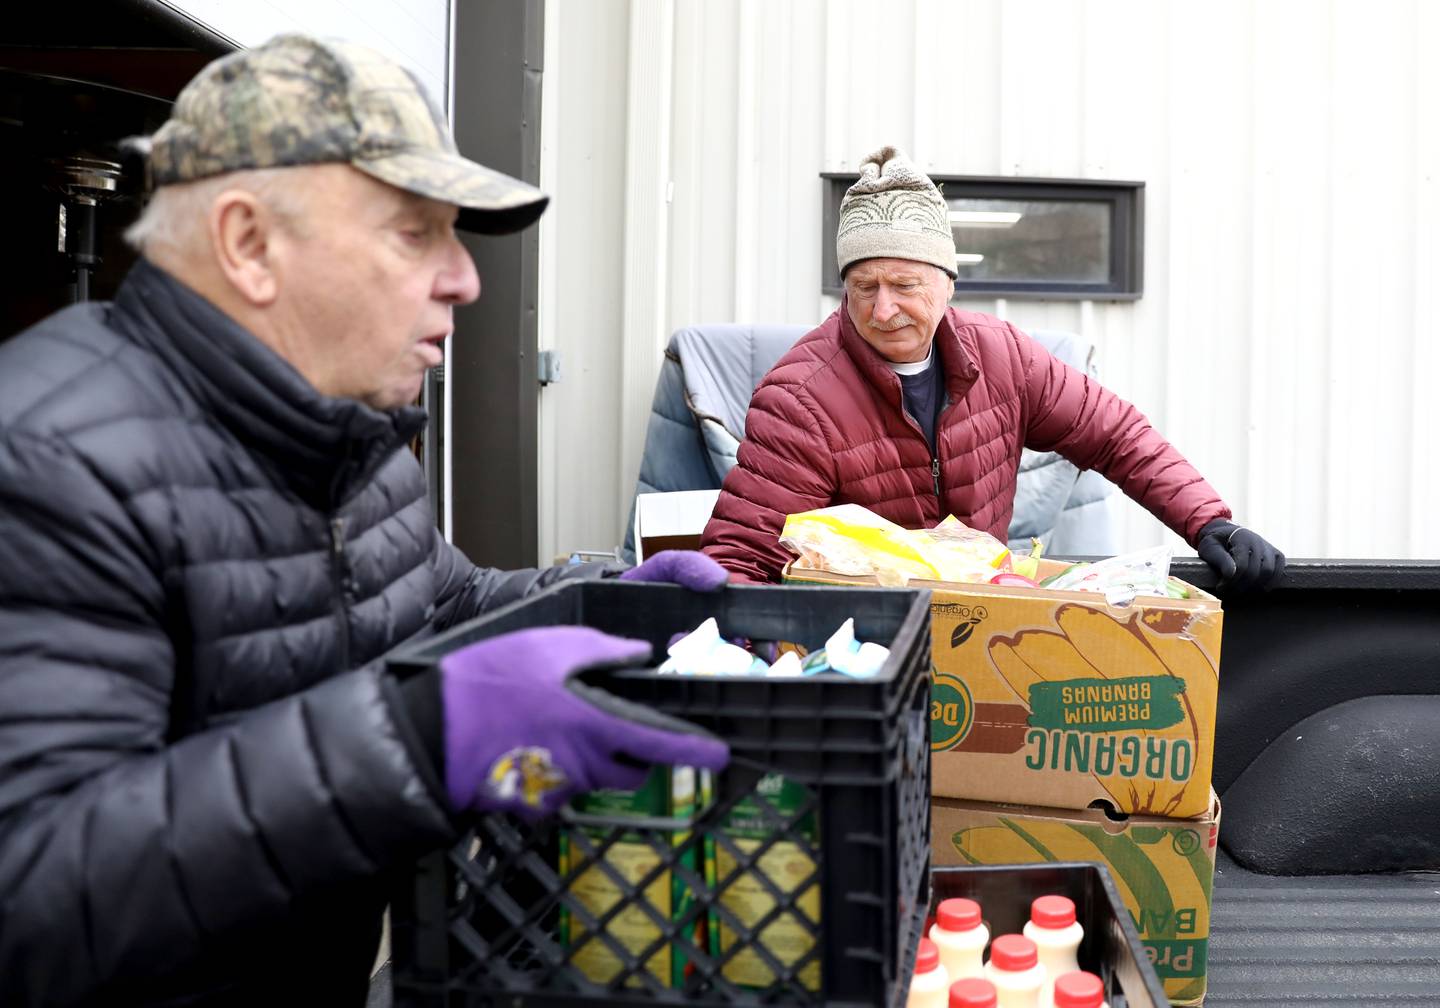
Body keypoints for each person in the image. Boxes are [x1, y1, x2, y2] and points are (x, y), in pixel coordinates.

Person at [0, 35, 729, 1007]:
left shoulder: (351, 432)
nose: (465, 279)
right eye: (413, 232)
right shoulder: (47, 464)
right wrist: (417, 741)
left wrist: (593, 603)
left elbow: (438, 604)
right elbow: (31, 896)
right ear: (249, 244)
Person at [702, 146, 1284, 590]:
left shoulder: (1004, 357)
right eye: (863, 287)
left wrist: (1208, 522)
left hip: (980, 619)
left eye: (904, 285)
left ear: (947, 284)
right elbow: (742, 556)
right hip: (861, 645)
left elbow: (1115, 435)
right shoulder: (802, 398)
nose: (883, 309)